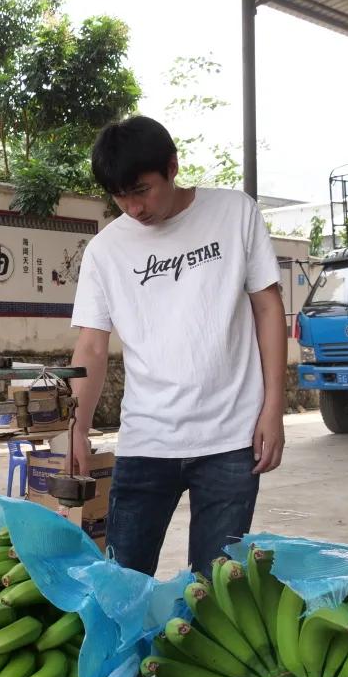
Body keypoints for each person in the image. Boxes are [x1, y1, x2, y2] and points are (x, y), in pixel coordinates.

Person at [66, 116, 287, 576]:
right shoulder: (105, 251)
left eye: (141, 190)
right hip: (147, 438)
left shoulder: (234, 213)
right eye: (120, 196)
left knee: (215, 593)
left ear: (172, 167)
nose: (133, 208)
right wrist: (77, 428)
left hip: (231, 439)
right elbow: (90, 345)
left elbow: (268, 308)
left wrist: (273, 409)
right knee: (123, 583)